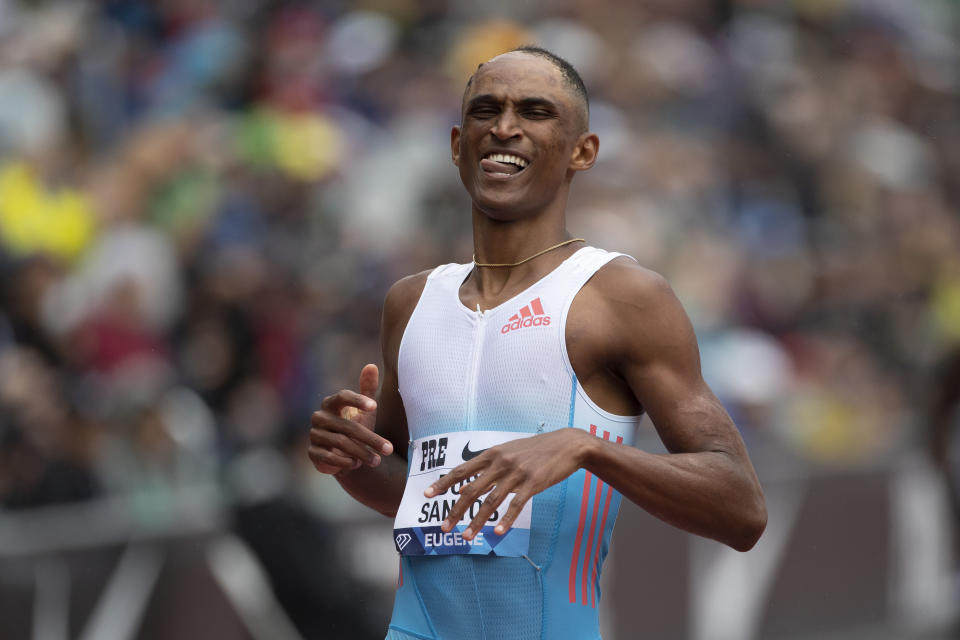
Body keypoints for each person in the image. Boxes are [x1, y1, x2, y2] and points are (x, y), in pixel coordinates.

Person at [309, 47, 767, 640]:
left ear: (584, 151)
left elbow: (742, 510)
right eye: (486, 110)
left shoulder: (621, 298)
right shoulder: (412, 301)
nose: (505, 127)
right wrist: (350, 459)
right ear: (457, 144)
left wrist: (587, 449)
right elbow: (414, 492)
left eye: (535, 111)